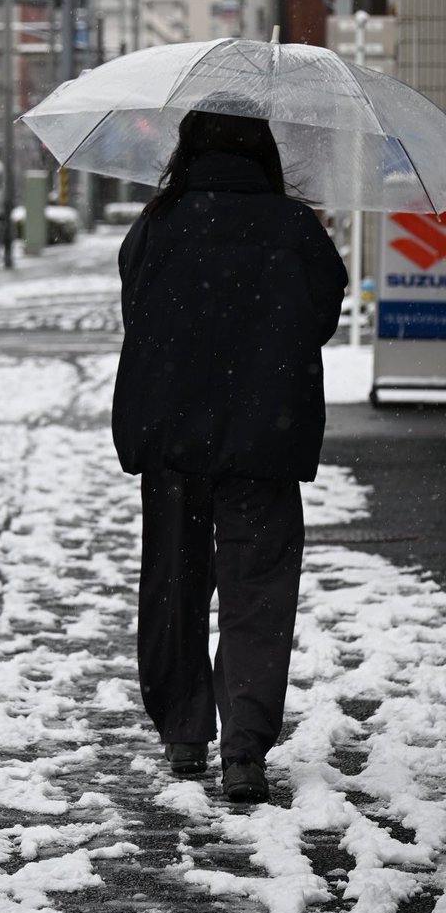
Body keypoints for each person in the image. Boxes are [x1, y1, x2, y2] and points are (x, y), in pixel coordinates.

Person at [112, 107, 347, 803]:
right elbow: (321, 320)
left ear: (188, 149)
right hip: (265, 435)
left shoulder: (159, 223)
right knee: (259, 592)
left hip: (172, 433)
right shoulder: (295, 228)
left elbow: (135, 307)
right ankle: (244, 750)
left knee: (174, 583)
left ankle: (184, 732)